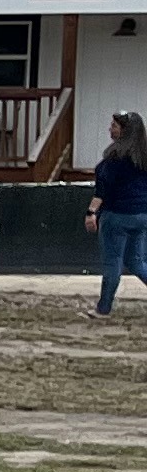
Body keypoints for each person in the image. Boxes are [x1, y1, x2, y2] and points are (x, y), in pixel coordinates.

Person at [98, 109, 147, 321]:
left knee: (113, 261)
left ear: (123, 132)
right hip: (142, 214)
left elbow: (103, 189)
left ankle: (104, 308)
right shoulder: (143, 157)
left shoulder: (114, 157)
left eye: (114, 126)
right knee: (137, 262)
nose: (110, 129)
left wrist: (91, 212)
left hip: (116, 215)